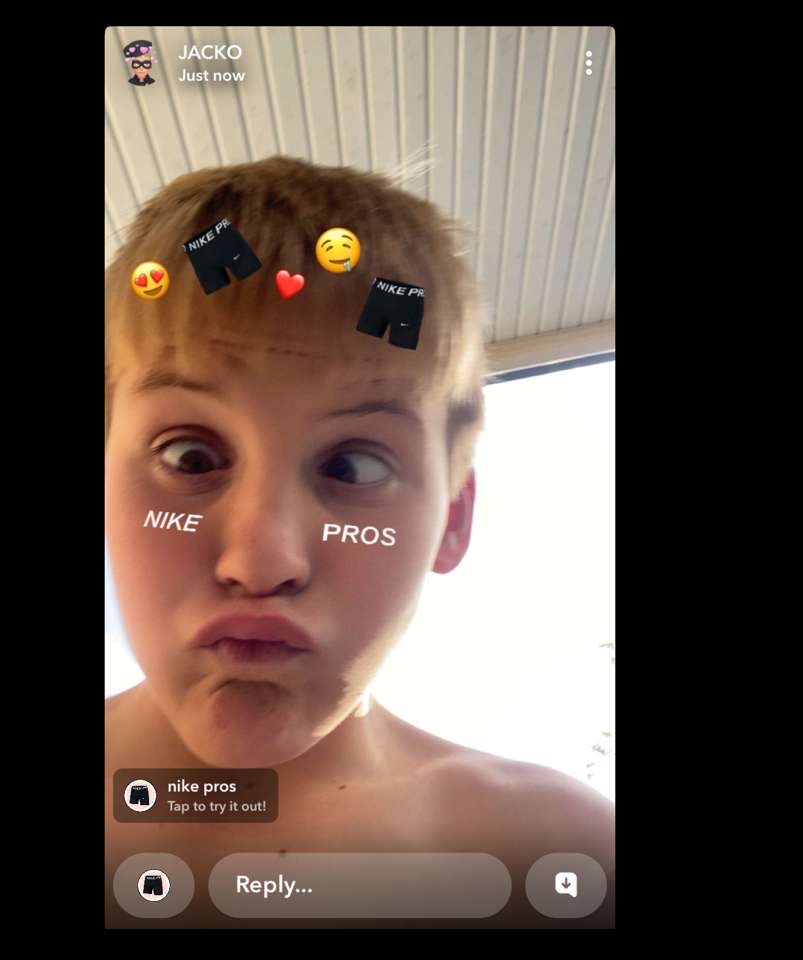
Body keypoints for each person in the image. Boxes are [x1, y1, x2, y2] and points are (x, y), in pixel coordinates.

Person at [104, 155, 614, 927]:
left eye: (353, 466)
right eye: (190, 458)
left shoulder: (563, 853)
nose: (262, 563)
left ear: (452, 519)